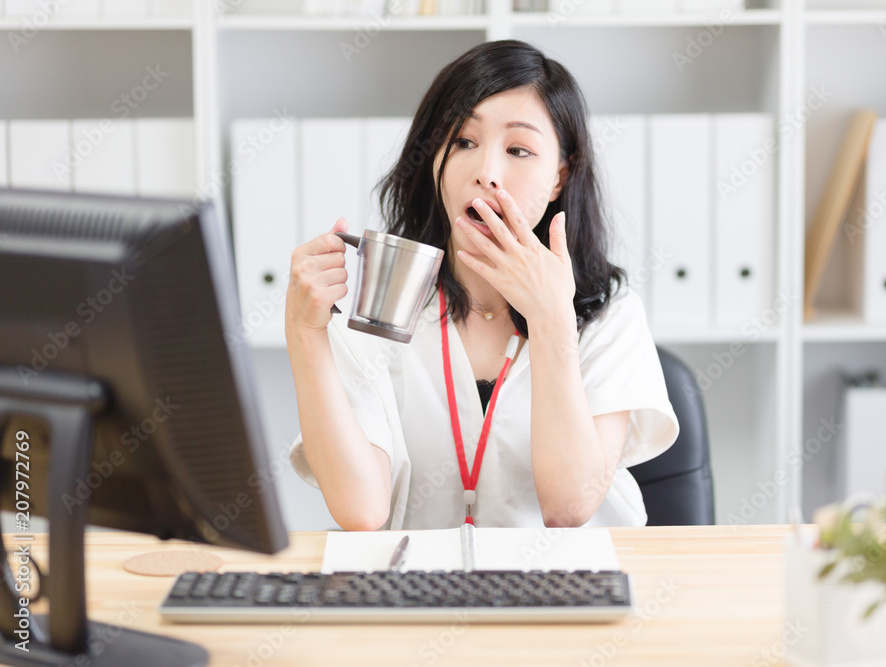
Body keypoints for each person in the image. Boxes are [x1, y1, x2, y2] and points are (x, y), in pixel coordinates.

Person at [285, 40, 678, 531]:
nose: (486, 173)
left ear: (559, 177)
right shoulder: (384, 300)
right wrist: (305, 334)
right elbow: (361, 511)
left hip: (569, 578)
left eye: (518, 150)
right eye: (463, 143)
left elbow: (569, 507)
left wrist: (552, 319)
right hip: (420, 578)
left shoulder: (610, 313)